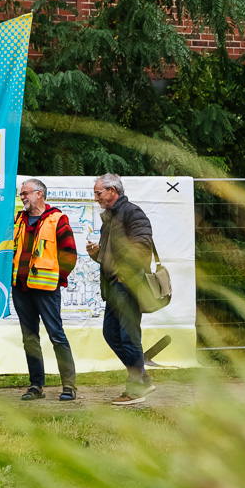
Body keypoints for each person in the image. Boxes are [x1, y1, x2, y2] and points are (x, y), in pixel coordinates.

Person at [87, 173, 156, 405]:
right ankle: (142, 378)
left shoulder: (132, 213)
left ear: (112, 191)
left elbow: (143, 247)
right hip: (114, 287)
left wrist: (123, 273)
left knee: (129, 337)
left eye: (99, 193)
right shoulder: (110, 218)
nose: (95, 197)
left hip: (127, 285)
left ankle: (136, 389)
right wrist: (98, 254)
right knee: (111, 334)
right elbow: (111, 257)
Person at [11, 179, 79, 401]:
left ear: (39, 194)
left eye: (25, 193)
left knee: (56, 335)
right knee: (29, 338)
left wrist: (58, 278)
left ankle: (69, 386)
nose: (22, 197)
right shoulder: (17, 219)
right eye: (21, 194)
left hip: (46, 289)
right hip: (21, 288)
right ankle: (35, 386)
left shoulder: (58, 219)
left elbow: (69, 255)